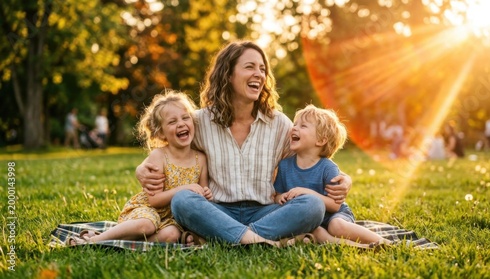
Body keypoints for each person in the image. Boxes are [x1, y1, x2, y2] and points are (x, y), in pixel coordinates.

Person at [136, 41, 352, 246]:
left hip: (266, 210)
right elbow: (168, 150)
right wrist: (140, 170)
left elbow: (312, 157)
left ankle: (224, 236)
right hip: (216, 210)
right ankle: (260, 240)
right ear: (228, 74)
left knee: (312, 206)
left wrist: (346, 179)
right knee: (182, 200)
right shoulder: (199, 122)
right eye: (249, 67)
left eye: (262, 69)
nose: (259, 74)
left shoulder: (278, 124)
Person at [68, 90, 212, 245]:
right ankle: (95, 240)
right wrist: (186, 188)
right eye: (172, 122)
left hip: (172, 220)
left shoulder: (201, 158)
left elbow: (201, 196)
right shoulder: (159, 155)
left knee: (171, 235)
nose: (181, 124)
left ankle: (123, 241)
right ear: (161, 133)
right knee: (146, 225)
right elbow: (155, 200)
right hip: (147, 211)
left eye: (185, 118)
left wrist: (206, 193)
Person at [274, 104, 391, 248]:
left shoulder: (328, 168)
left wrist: (307, 193)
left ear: (321, 141)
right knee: (317, 232)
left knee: (336, 227)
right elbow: (277, 195)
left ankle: (384, 242)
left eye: (303, 126)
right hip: (311, 219)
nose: (294, 128)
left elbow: (335, 206)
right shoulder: (285, 166)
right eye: (295, 124)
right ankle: (353, 246)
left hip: (334, 216)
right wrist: (282, 198)